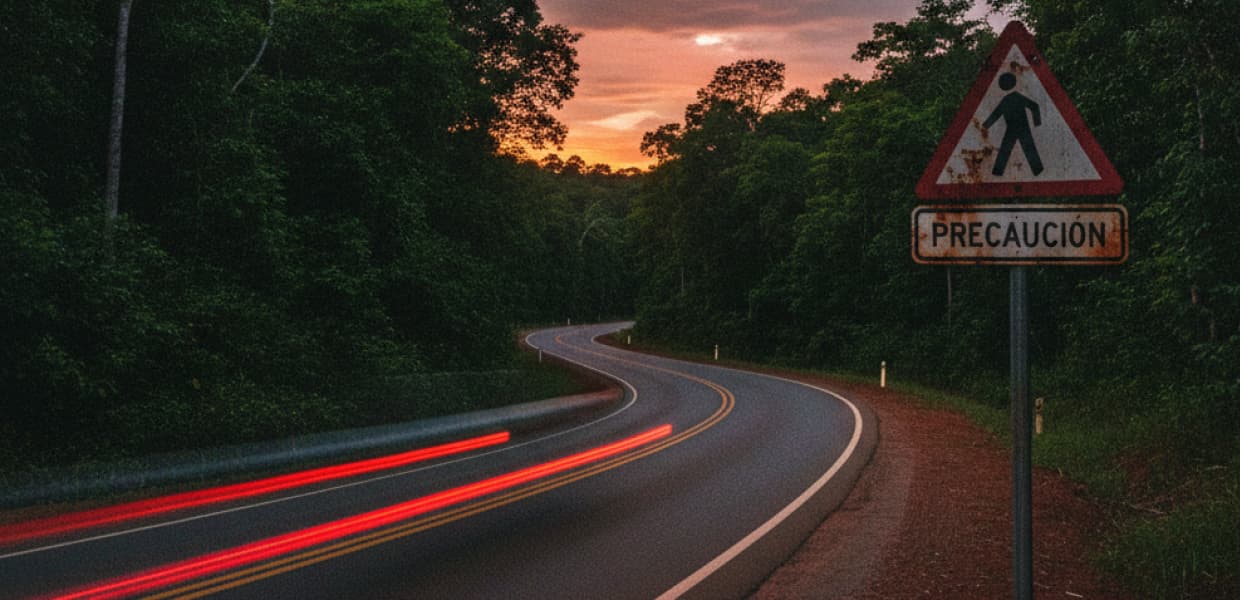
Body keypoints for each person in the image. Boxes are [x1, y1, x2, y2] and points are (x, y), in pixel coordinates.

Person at [983, 72, 1043, 176]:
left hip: (1015, 128)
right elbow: (1034, 106)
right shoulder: (1015, 97)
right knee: (1026, 148)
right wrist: (1036, 123)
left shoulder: (1008, 99)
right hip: (1017, 128)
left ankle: (997, 172)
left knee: (1008, 150)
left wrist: (985, 126)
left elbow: (996, 114)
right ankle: (1038, 171)